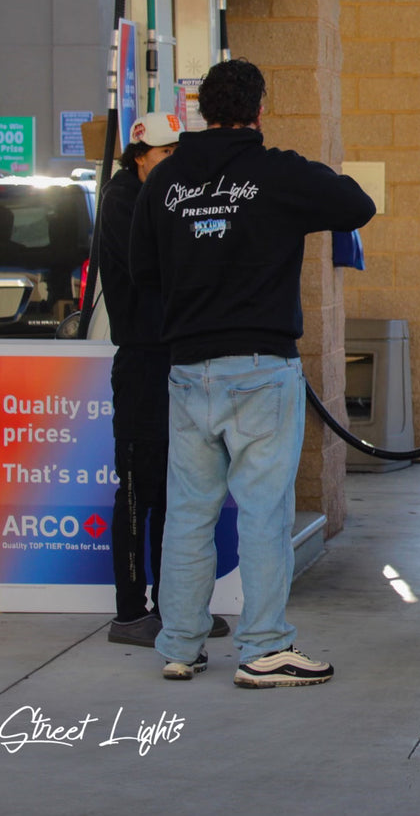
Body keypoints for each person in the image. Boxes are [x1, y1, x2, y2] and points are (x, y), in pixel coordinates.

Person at [129, 59, 375, 687]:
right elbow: (356, 204)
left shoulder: (165, 180)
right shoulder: (276, 172)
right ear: (259, 109)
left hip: (188, 371)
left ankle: (180, 644)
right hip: (263, 370)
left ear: (200, 110)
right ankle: (263, 648)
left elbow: (143, 273)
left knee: (189, 512)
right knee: (264, 512)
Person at [101, 112, 230, 646]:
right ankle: (131, 614)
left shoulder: (163, 195)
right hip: (144, 360)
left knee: (178, 493)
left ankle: (174, 607)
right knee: (138, 492)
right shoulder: (126, 201)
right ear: (138, 157)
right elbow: (154, 271)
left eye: (178, 152)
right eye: (162, 154)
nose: (172, 162)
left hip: (173, 359)